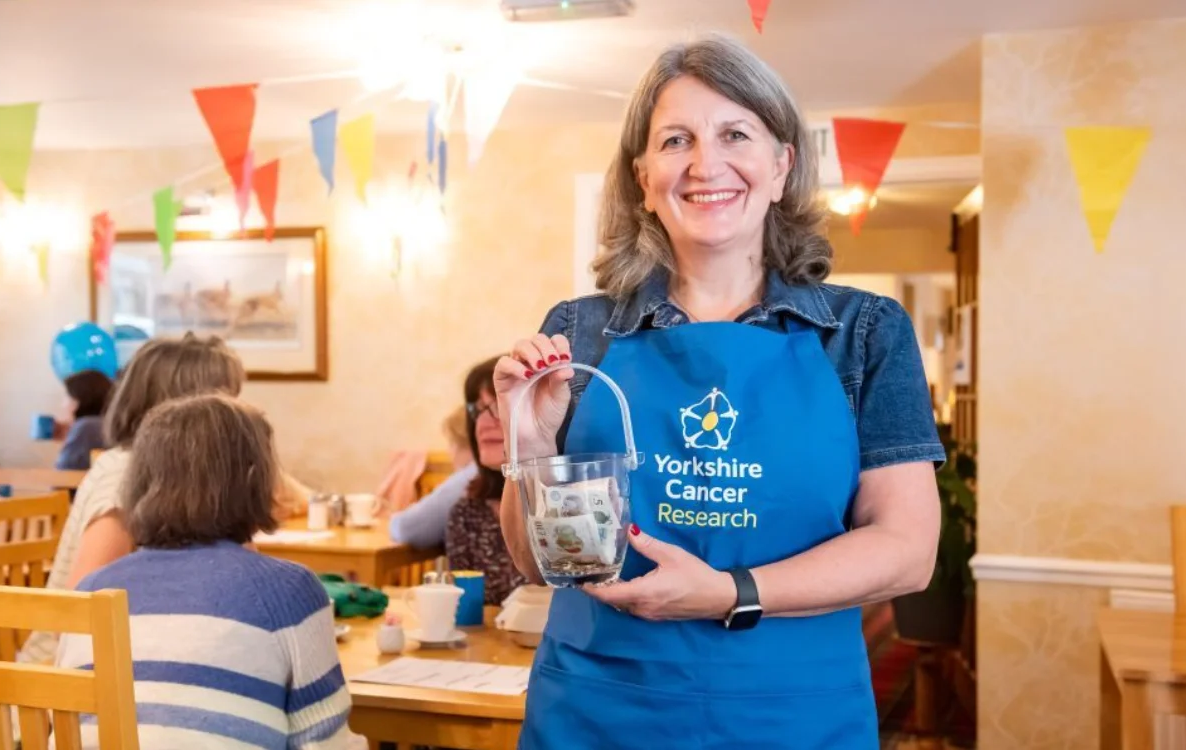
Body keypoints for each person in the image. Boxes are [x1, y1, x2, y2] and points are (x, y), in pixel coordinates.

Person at [494, 35, 944, 748]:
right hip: (599, 710)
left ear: (779, 165)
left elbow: (908, 549)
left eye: (736, 134)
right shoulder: (576, 333)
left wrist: (733, 593)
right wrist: (530, 437)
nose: (706, 164)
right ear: (642, 175)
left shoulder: (864, 333)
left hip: (791, 714)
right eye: (676, 140)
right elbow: (533, 558)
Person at [55, 393, 354, 749]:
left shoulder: (92, 587)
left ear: (139, 481)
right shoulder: (288, 590)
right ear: (254, 479)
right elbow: (324, 743)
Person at [18, 334, 309, 665]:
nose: (237, 414)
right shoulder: (125, 479)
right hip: (63, 689)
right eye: (228, 400)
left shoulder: (177, 479)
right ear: (183, 407)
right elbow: (75, 618)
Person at [445, 356, 527, 605]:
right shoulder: (467, 514)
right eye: (478, 409)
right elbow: (467, 614)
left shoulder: (565, 504)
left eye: (498, 407)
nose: (482, 422)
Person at [389, 405, 479, 548]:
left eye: (451, 443)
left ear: (460, 443)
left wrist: (393, 520)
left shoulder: (471, 477)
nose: (450, 452)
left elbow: (408, 528)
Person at [54, 370, 113, 471]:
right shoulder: (107, 423)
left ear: (79, 399)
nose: (63, 405)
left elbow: (64, 469)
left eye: (67, 397)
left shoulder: (85, 426)